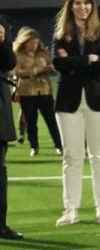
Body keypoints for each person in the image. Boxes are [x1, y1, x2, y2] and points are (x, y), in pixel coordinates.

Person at [52, 0, 100, 226]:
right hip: (69, 102)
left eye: (86, 3)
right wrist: (88, 60)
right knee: (71, 156)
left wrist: (72, 62)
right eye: (77, 3)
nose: (82, 7)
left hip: (99, 100)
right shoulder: (60, 34)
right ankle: (71, 209)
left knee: (99, 154)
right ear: (71, 7)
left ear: (92, 6)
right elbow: (58, 63)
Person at [12, 27, 62, 157]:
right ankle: (34, 147)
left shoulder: (44, 53)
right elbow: (16, 72)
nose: (34, 45)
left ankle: (59, 145)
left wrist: (51, 68)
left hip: (45, 90)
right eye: (30, 42)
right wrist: (34, 71)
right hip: (27, 92)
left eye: (36, 42)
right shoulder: (18, 55)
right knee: (31, 122)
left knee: (52, 120)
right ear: (24, 42)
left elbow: (52, 66)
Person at [0, 18, 23, 240]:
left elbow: (8, 63)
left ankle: (0, 224)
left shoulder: (2, 24)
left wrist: (2, 40)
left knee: (0, 169)